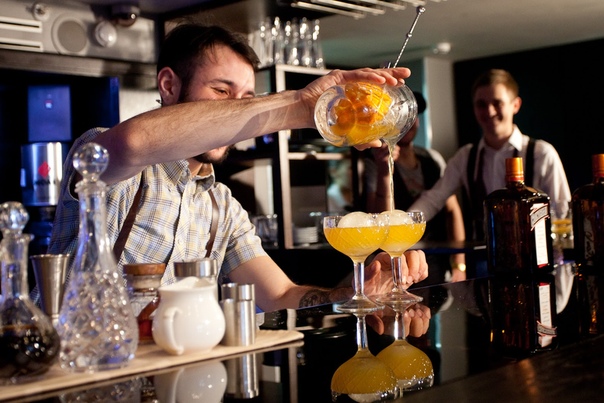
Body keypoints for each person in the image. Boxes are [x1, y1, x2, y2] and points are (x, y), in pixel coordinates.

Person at [48, 23, 428, 314]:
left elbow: (281, 295)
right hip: (75, 373)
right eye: (222, 92)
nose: (237, 114)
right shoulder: (102, 155)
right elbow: (134, 143)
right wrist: (299, 107)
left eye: (246, 99)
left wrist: (358, 294)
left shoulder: (221, 206)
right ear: (169, 86)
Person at [409, 69, 571, 277]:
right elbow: (434, 199)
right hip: (483, 267)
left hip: (535, 263)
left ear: (515, 105)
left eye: (497, 103)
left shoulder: (541, 153)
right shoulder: (466, 156)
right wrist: (402, 225)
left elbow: (561, 213)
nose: (490, 111)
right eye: (481, 104)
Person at [362, 91, 467, 284]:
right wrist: (384, 171)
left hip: (438, 259)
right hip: (398, 264)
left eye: (413, 115)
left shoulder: (432, 158)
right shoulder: (374, 161)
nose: (408, 122)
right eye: (400, 115)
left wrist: (459, 265)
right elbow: (377, 221)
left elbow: (452, 210)